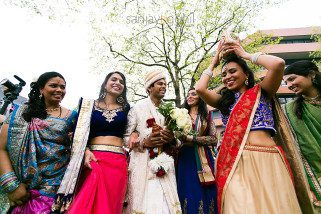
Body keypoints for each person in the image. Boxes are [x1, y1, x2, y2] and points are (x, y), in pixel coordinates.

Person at [195, 38, 302, 213]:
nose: (228, 77)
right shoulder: (224, 102)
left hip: (266, 160)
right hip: (233, 163)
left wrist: (244, 54)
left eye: (232, 71)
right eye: (224, 74)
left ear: (246, 74)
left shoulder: (263, 91)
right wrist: (214, 61)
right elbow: (200, 89)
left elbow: (278, 64)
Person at [51, 71, 130, 214]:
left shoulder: (127, 108)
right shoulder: (87, 105)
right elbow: (76, 133)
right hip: (93, 158)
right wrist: (86, 151)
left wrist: (135, 135)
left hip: (118, 161)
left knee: (110, 205)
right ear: (105, 84)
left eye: (121, 81)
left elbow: (130, 132)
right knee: (87, 202)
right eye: (113, 79)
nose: (118, 83)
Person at [0, 72, 77, 214]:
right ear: (41, 89)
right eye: (53, 85)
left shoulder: (72, 117)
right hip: (22, 188)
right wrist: (12, 186)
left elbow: (79, 147)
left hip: (54, 189)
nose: (59, 90)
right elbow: (1, 149)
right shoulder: (20, 113)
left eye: (63, 87)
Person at [124, 70, 181, 214]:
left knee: (166, 206)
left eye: (165, 84)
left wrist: (172, 139)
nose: (164, 86)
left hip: (166, 164)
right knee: (144, 205)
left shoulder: (171, 110)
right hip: (143, 164)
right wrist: (144, 142)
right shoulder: (137, 108)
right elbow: (125, 138)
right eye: (160, 83)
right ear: (149, 87)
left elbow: (179, 140)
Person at [283, 60, 321, 213]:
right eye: (286, 82)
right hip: (315, 176)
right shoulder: (289, 111)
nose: (289, 85)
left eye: (292, 79)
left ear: (311, 75)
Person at [176, 88, 218, 214]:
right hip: (185, 158)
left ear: (200, 97)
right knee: (188, 189)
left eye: (193, 94)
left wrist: (191, 138)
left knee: (205, 190)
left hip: (203, 157)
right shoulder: (180, 115)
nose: (189, 97)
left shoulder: (206, 116)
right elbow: (175, 137)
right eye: (188, 95)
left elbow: (214, 139)